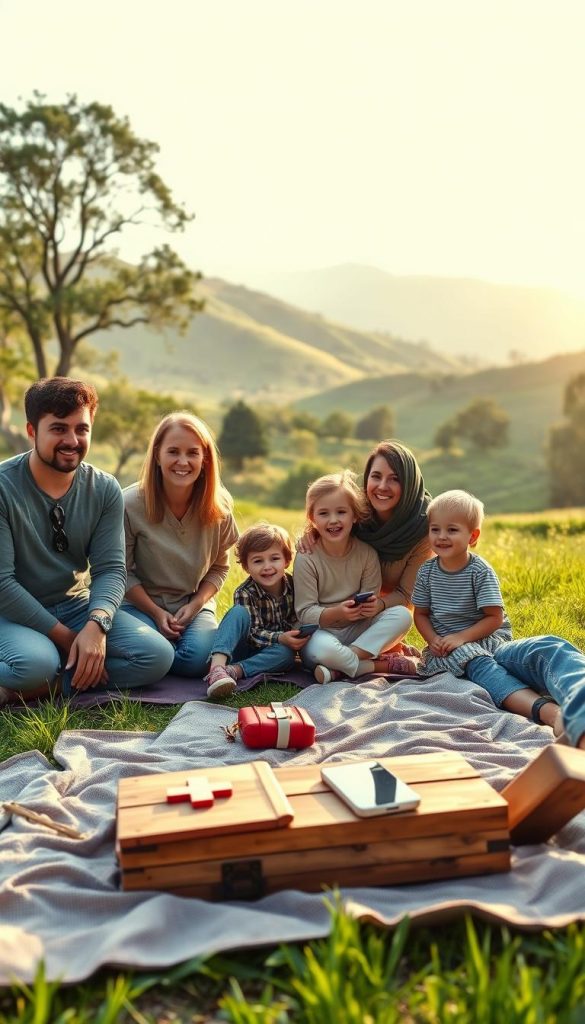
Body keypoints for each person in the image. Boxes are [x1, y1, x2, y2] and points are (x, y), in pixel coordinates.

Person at [0, 377, 174, 705]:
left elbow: (110, 570)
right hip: (11, 610)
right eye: (58, 429)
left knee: (157, 656)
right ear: (31, 431)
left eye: (81, 429)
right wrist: (69, 639)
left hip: (75, 605)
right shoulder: (3, 488)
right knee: (36, 663)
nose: (72, 440)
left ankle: (39, 687)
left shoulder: (105, 489)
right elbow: (2, 583)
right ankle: (45, 671)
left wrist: (97, 624)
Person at [412, 489, 585, 749]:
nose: (442, 536)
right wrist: (434, 639)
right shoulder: (426, 572)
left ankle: (580, 715)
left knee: (549, 645)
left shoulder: (479, 571)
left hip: (492, 641)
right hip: (448, 654)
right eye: (435, 529)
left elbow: (495, 618)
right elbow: (421, 614)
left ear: (473, 536)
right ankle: (551, 714)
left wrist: (462, 636)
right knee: (475, 659)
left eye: (452, 530)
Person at [298, 440, 431, 673]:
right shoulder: (359, 510)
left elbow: (404, 596)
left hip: (367, 620)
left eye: (394, 478)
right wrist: (309, 533)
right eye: (376, 476)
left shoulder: (419, 530)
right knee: (319, 648)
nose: (382, 486)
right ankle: (374, 665)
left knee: (401, 617)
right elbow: (329, 512)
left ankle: (342, 666)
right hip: (326, 628)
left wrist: (376, 605)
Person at [123, 412, 239, 678]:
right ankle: (156, 654)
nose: (183, 462)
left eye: (192, 453)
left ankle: (157, 658)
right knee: (158, 651)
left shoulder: (219, 505)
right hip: (138, 605)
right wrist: (155, 612)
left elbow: (220, 568)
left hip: (191, 605)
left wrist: (197, 604)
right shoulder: (129, 504)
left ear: (205, 458)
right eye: (173, 451)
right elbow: (121, 572)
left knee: (197, 661)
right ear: (157, 455)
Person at [204, 522, 309, 697]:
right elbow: (252, 634)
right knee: (238, 613)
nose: (267, 566)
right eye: (258, 561)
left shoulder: (295, 585)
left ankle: (233, 672)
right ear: (246, 567)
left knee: (286, 655)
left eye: (274, 559)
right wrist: (280, 637)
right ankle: (216, 669)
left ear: (287, 561)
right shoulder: (245, 592)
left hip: (269, 653)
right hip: (242, 647)